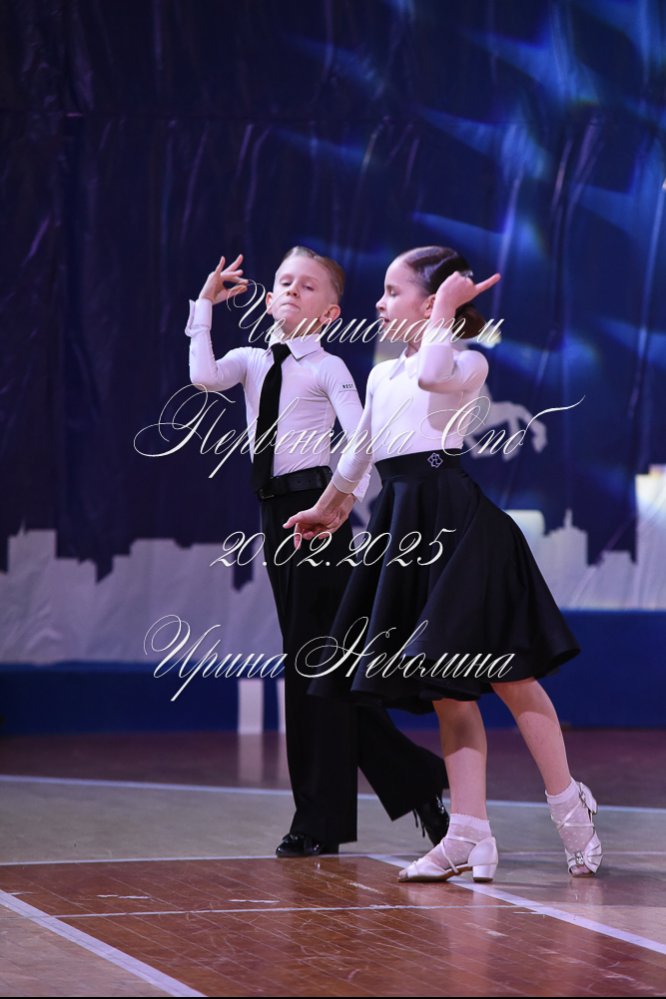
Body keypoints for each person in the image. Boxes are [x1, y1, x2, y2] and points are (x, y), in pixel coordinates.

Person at [283, 245, 602, 881]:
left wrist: (446, 313)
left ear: (432, 303)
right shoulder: (381, 376)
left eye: (393, 291)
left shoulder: (464, 359)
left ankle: (571, 804)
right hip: (406, 527)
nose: (379, 302)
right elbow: (361, 451)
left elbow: (433, 377)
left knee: (508, 677)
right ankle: (468, 834)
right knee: (446, 689)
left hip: (461, 529)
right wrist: (328, 508)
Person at [185, 247, 451, 858]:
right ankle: (413, 783)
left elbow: (363, 438)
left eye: (307, 287)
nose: (290, 291)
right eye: (284, 282)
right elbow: (203, 376)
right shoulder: (251, 359)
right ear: (266, 297)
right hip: (275, 517)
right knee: (317, 670)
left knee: (312, 667)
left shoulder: (329, 368)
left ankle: (319, 820)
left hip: (318, 516)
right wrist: (204, 306)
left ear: (330, 313)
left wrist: (343, 502)